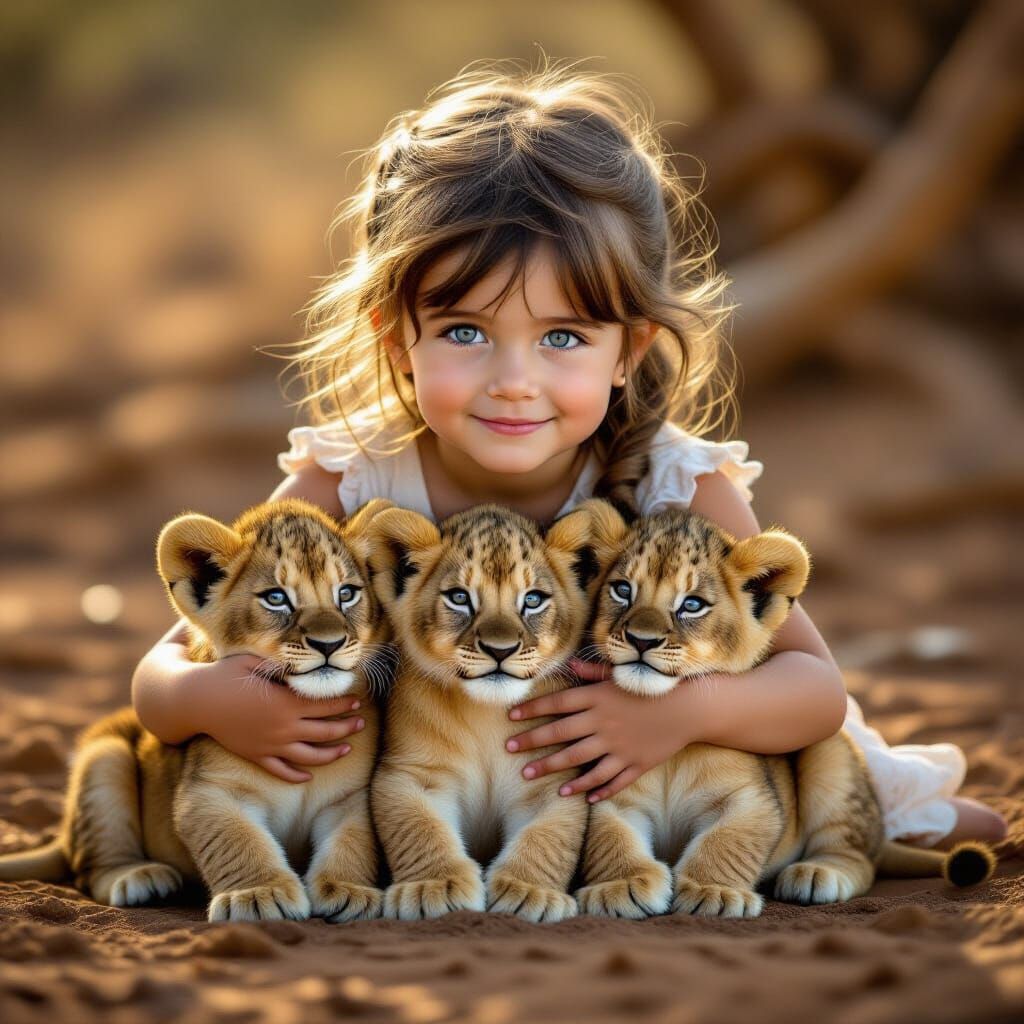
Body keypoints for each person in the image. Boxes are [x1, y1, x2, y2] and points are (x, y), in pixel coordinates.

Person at [131, 60, 1006, 851]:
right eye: (467, 331)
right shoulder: (352, 471)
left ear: (629, 350)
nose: (515, 382)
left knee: (941, 829)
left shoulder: (672, 479)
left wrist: (675, 720)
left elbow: (812, 685)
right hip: (430, 781)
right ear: (397, 338)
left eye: (563, 337)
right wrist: (205, 703)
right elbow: (166, 665)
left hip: (629, 777)